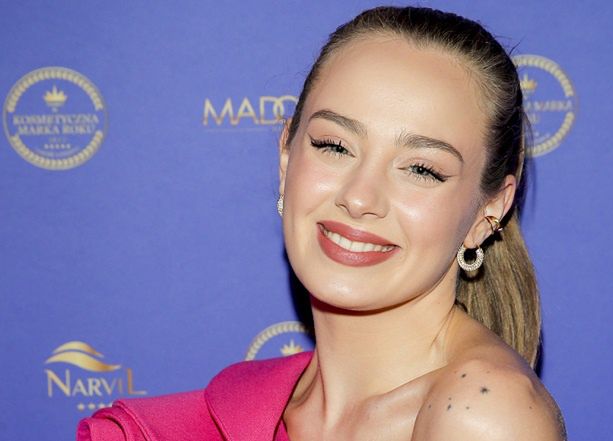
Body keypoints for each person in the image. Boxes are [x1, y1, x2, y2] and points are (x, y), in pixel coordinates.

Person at [78, 6, 566, 440]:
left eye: (421, 169)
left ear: (489, 211)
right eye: (334, 146)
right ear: (286, 155)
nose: (358, 197)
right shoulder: (222, 417)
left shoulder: (484, 415)